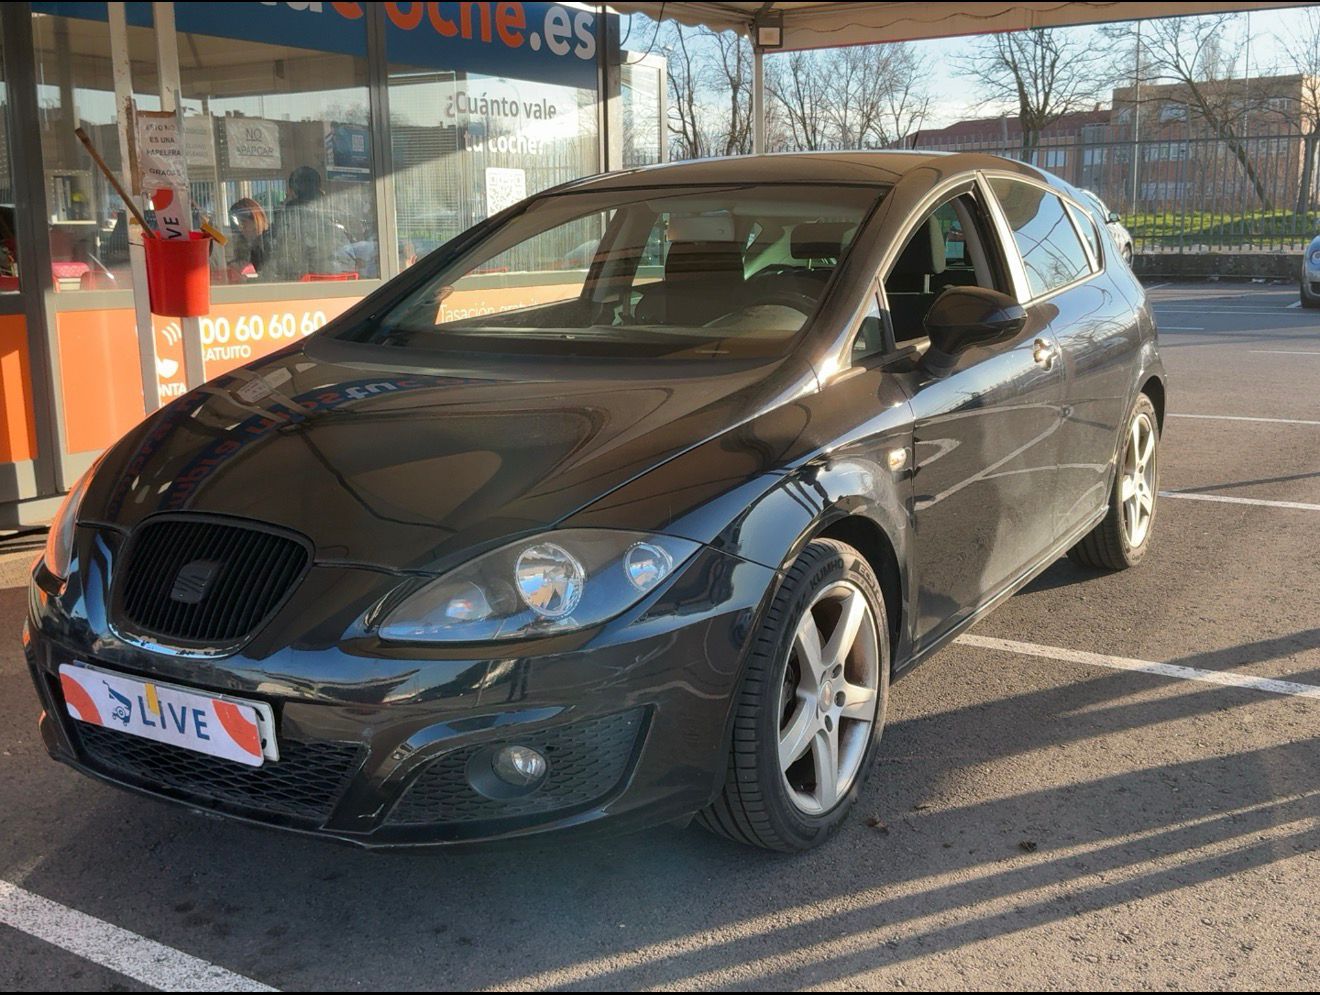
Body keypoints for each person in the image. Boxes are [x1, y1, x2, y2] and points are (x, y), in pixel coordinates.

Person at [267, 166, 351, 280]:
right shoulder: (335, 214)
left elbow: (281, 262)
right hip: (340, 282)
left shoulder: (289, 219)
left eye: (288, 191)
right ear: (319, 188)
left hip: (305, 285)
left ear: (293, 191)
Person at [227, 197, 271, 279]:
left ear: (255, 220)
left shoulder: (267, 244)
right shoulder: (244, 245)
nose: (240, 228)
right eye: (236, 225)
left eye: (243, 222)